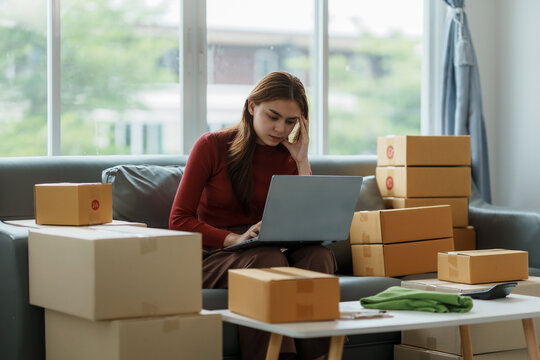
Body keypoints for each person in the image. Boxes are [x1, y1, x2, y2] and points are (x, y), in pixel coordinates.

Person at [169, 71, 336, 360]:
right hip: (214, 257)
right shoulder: (212, 146)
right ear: (251, 107)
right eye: (273, 116)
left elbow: (308, 219)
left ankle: (321, 355)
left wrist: (301, 160)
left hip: (270, 250)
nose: (281, 129)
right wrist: (235, 238)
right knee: (267, 259)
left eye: (291, 121)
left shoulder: (290, 155)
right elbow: (179, 220)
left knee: (317, 257)